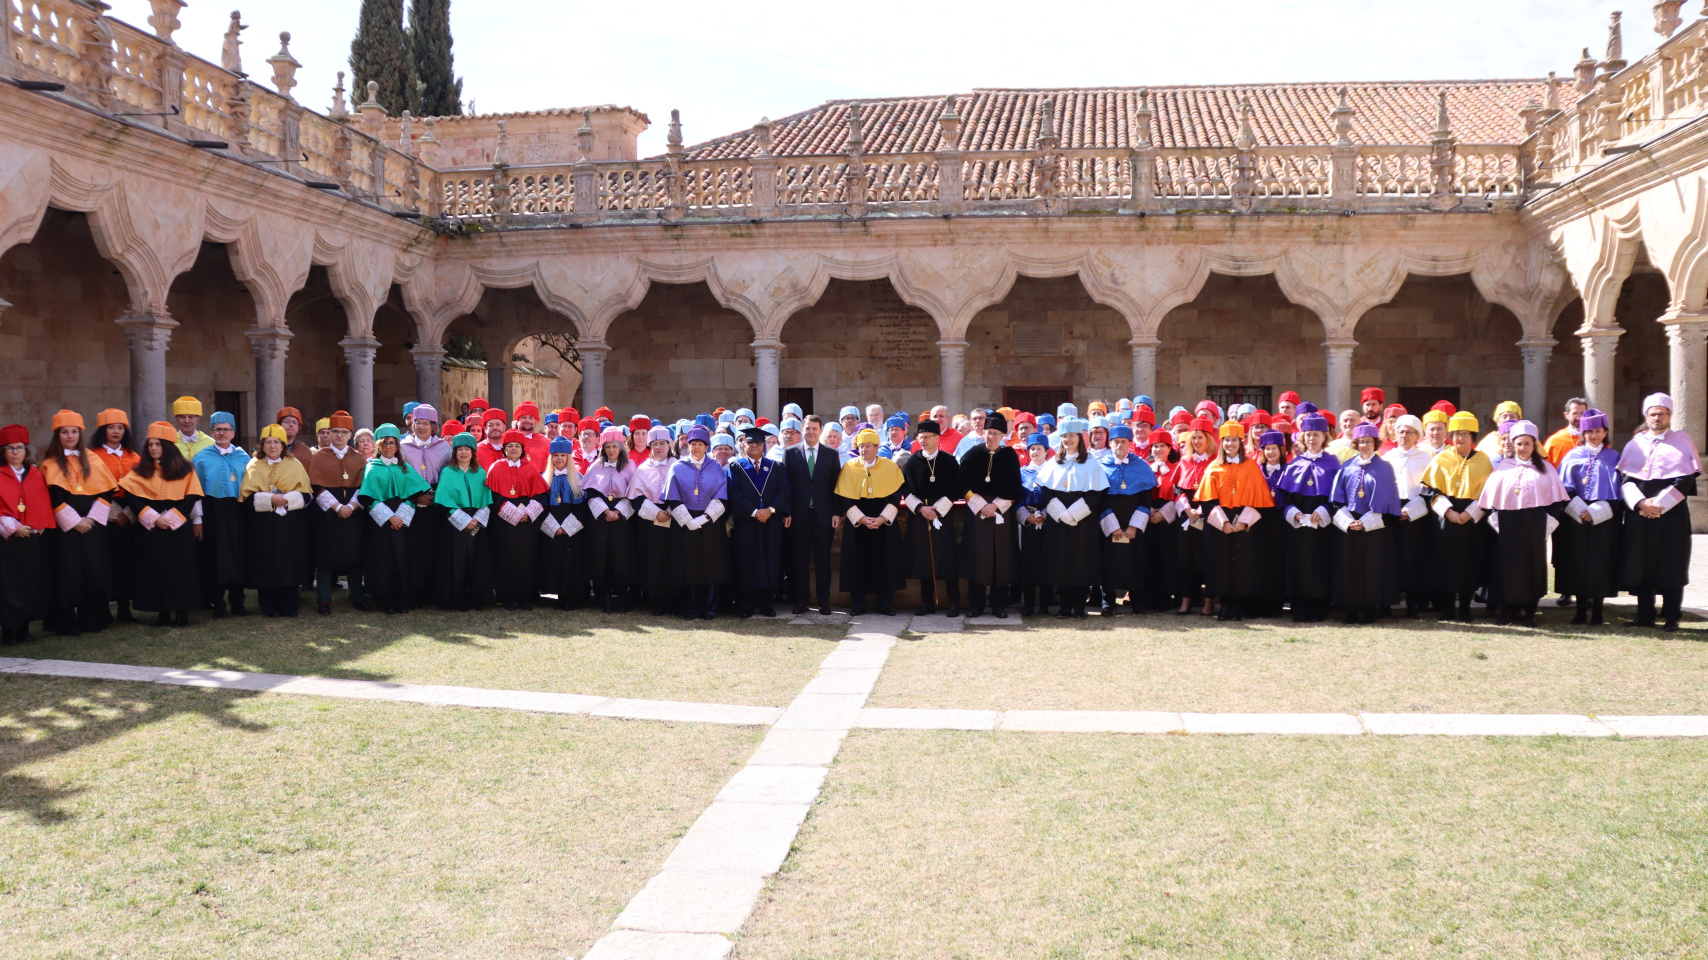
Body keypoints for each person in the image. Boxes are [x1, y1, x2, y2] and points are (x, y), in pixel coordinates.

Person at [1617, 393, 1700, 631]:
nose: (1657, 417)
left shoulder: (1682, 440)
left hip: (1671, 516)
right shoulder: (1635, 443)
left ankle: (1672, 616)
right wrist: (1642, 504)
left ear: (1670, 416)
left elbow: (1685, 480)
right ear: (1646, 416)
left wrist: (1659, 505)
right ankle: (1644, 614)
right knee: (1642, 564)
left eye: (1662, 414)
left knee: (1671, 563)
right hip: (1640, 514)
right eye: (1653, 414)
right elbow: (1625, 479)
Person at [1476, 420, 1568, 627]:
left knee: (1532, 568)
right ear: (1513, 445)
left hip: (1535, 526)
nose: (1523, 448)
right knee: (1505, 568)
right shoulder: (1502, 468)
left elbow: (1556, 502)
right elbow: (1491, 503)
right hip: (1507, 525)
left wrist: (1548, 524)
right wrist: (1497, 523)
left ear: (1534, 445)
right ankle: (1506, 611)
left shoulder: (1546, 468)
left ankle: (1530, 612)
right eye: (1519, 444)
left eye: (1527, 444)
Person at [40, 410, 118, 635]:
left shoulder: (92, 458)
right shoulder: (50, 463)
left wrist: (91, 520)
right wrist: (75, 522)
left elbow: (106, 492)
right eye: (64, 432)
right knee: (65, 574)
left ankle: (93, 620)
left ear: (80, 434)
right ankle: (64, 623)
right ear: (58, 435)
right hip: (65, 530)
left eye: (74, 432)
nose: (70, 436)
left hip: (92, 527)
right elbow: (52, 497)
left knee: (93, 572)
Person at [121, 422, 205, 627]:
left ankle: (182, 612)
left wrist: (171, 518)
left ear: (168, 446)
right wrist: (153, 518)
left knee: (180, 569)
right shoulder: (140, 470)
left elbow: (191, 497)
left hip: (177, 528)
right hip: (150, 528)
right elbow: (133, 498)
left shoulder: (186, 468)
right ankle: (162, 612)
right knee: (153, 568)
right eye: (150, 444)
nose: (153, 448)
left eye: (158, 444)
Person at [1419, 411, 1495, 622]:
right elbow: (1430, 491)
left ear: (1472, 437)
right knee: (1445, 562)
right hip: (1446, 518)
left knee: (1470, 562)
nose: (1459, 438)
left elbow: (1488, 494)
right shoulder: (1442, 459)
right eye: (1456, 434)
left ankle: (1465, 608)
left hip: (1473, 520)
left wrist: (1469, 514)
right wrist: (1449, 513)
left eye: (1464, 434)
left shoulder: (1483, 460)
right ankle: (1447, 608)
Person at [1195, 422, 1275, 622]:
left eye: (1234, 440)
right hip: (1219, 524)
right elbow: (1207, 500)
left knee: (1242, 564)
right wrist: (1222, 522)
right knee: (1220, 564)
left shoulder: (1252, 466)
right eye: (1226, 440)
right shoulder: (1213, 466)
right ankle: (1224, 606)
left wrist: (1243, 523)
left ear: (1240, 442)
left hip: (1244, 522)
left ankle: (1237, 607)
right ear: (1221, 443)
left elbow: (1259, 500)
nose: (1230, 444)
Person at [1328, 424, 1402, 624]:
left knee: (1372, 568)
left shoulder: (1384, 468)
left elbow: (1388, 502)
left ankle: (1370, 609)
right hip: (1350, 526)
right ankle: (1351, 609)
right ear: (1356, 444)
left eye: (1369, 441)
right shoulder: (1347, 466)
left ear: (1375, 443)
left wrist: (1366, 522)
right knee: (1349, 567)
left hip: (1374, 528)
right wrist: (1349, 521)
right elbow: (1337, 499)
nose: (1365, 445)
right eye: (1361, 442)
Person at [1034, 418, 1107, 619]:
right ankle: (1064, 606)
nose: (1068, 440)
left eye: (1072, 436)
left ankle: (1079, 607)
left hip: (1083, 521)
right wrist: (1061, 513)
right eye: (1064, 436)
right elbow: (1046, 491)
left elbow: (1095, 494)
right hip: (1059, 521)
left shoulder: (1091, 462)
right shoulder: (1053, 462)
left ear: (1079, 438)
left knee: (1081, 562)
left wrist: (1074, 513)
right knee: (1060, 562)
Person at [239, 424, 313, 617]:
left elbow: (306, 495)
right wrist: (270, 499)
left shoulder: (294, 464)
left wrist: (287, 499)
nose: (272, 446)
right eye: (268, 442)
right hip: (263, 526)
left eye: (276, 443)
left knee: (290, 562)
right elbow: (246, 499)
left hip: (290, 525)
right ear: (262, 446)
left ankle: (289, 604)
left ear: (283, 446)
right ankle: (269, 605)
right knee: (266, 563)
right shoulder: (253, 465)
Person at [357, 424, 430, 615]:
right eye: (385, 443)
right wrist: (389, 517)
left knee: (403, 558)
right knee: (383, 559)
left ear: (397, 446)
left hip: (403, 521)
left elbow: (414, 495)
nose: (389, 447)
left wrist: (401, 517)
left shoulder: (404, 468)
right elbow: (367, 498)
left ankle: (402, 599)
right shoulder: (371, 467)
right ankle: (384, 600)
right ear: (379, 446)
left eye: (392, 443)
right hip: (380, 523)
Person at [1274, 413, 1341, 623]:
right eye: (1308, 435)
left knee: (1321, 564)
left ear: (1324, 437)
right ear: (1302, 438)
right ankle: (1299, 607)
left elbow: (1337, 497)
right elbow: (1284, 498)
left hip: (1322, 526)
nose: (1312, 439)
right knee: (1298, 565)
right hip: (1298, 525)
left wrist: (1322, 512)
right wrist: (1293, 513)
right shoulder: (1294, 465)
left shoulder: (1332, 463)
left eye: (1317, 435)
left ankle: (1319, 607)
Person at [1556, 410, 1621, 626]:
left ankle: (1599, 611)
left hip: (1604, 521)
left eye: (1597, 431)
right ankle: (1580, 610)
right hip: (1577, 520)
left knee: (1600, 563)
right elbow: (1565, 489)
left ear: (1605, 433)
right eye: (1588, 431)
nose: (1593, 435)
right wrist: (1581, 509)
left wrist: (1595, 511)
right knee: (1578, 563)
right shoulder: (1572, 456)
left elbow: (1617, 491)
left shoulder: (1614, 457)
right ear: (1582, 433)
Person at [834, 428, 907, 616]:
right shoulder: (849, 467)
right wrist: (861, 519)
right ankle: (858, 604)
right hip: (859, 523)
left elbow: (895, 496)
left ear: (876, 447)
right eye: (860, 446)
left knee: (886, 560)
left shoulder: (890, 467)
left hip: (884, 522)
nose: (863, 450)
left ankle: (885, 604)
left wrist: (883, 518)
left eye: (867, 446)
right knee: (856, 561)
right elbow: (844, 499)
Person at [960, 412, 1024, 618]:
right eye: (988, 433)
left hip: (1001, 512)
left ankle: (999, 605)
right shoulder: (972, 454)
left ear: (1003, 435)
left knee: (1001, 559)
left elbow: (1015, 488)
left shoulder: (1010, 456)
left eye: (996, 433)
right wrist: (980, 505)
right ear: (983, 433)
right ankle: (975, 605)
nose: (991, 437)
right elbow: (961, 484)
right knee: (976, 558)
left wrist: (995, 506)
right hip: (976, 510)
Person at [666, 427, 730, 620]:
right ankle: (691, 608)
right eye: (692, 444)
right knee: (689, 565)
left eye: (700, 445)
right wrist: (688, 521)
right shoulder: (677, 467)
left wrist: (705, 518)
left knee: (711, 565)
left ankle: (709, 609)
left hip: (710, 523)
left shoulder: (717, 468)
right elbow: (672, 498)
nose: (695, 448)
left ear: (706, 447)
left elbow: (722, 497)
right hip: (685, 524)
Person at [308, 411, 368, 616]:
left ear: (350, 434)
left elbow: (363, 488)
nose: (339, 436)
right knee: (325, 558)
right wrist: (336, 507)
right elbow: (315, 486)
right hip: (327, 514)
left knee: (354, 557)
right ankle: (324, 600)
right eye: (335, 432)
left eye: (344, 432)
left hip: (353, 513)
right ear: (329, 433)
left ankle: (357, 596)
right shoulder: (318, 457)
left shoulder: (359, 458)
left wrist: (350, 507)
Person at [899, 419, 960, 617]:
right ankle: (927, 602)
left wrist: (939, 509)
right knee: (923, 560)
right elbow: (905, 488)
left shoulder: (949, 461)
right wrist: (920, 508)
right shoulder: (912, 461)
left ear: (936, 438)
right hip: (920, 514)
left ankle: (953, 601)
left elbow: (956, 488)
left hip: (943, 513)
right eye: (920, 437)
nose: (923, 441)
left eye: (927, 437)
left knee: (948, 558)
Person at [191, 411, 250, 617]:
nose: (222, 433)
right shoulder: (201, 458)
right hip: (212, 512)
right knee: (215, 556)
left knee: (238, 555)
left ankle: (238, 602)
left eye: (226, 429)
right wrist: (197, 519)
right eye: (218, 429)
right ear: (211, 432)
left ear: (233, 432)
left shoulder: (244, 457)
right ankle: (217, 603)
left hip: (238, 512)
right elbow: (195, 492)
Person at [728, 427, 791, 618]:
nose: (754, 446)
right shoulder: (736, 467)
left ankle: (766, 603)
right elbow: (734, 493)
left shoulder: (776, 466)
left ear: (764, 445)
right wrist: (754, 512)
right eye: (750, 443)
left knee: (769, 560)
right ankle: (747, 603)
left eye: (758, 443)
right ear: (743, 445)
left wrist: (770, 510)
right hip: (747, 522)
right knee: (748, 560)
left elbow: (785, 490)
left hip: (770, 521)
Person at [485, 429, 549, 610]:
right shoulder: (496, 467)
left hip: (527, 521)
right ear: (504, 448)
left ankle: (525, 596)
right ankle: (507, 596)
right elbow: (494, 495)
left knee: (526, 558)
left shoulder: (530, 468)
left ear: (523, 449)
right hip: (503, 520)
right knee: (505, 556)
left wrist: (527, 513)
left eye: (517, 446)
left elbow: (540, 494)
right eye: (510, 446)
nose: (514, 449)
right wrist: (512, 513)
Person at [0, 425, 52, 644]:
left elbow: (41, 502)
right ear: (3, 451)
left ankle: (25, 628)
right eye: (10, 448)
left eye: (19, 448)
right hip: (7, 541)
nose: (15, 452)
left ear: (26, 450)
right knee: (8, 586)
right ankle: (9, 630)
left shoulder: (35, 474)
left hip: (31, 540)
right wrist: (13, 528)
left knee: (30, 583)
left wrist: (35, 525)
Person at [1098, 424, 1157, 616]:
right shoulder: (1101, 466)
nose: (1119, 445)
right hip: (1109, 522)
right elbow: (1099, 500)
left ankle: (1137, 601)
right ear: (1110, 443)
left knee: (1136, 562)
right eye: (1116, 441)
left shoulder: (1141, 466)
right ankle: (1108, 601)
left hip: (1134, 523)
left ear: (1130, 443)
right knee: (1108, 562)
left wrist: (1134, 526)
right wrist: (1113, 526)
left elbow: (1146, 500)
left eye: (1123, 441)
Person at [784, 416, 841, 616]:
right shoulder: (790, 453)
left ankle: (824, 601)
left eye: (814, 428)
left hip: (823, 516)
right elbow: (786, 486)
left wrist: (836, 512)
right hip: (799, 516)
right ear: (802, 429)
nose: (811, 432)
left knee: (823, 560)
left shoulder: (831, 454)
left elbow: (836, 486)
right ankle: (802, 600)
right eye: (807, 428)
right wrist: (787, 512)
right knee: (800, 561)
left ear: (820, 430)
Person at [89, 408, 141, 623]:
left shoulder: (134, 456)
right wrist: (111, 512)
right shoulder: (91, 456)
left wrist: (129, 513)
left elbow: (141, 487)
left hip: (129, 513)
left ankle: (124, 607)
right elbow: (91, 488)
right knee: (104, 562)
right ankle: (103, 609)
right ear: (103, 430)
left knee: (127, 562)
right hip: (103, 513)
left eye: (120, 428)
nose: (116, 432)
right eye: (111, 427)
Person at [1382, 414, 1436, 617]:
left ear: (1417, 436)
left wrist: (1410, 511)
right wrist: (1393, 508)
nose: (1404, 435)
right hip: (1390, 512)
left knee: (1414, 560)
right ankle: (1386, 602)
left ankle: (1413, 604)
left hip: (1415, 514)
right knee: (1389, 558)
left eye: (1409, 432)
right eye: (1400, 431)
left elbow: (1429, 490)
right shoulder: (1387, 458)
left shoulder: (1426, 459)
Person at [434, 433, 493, 611]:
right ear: (455, 452)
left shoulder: (480, 472)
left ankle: (477, 599)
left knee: (477, 560)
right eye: (460, 449)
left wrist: (476, 520)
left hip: (477, 521)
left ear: (473, 452)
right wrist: (462, 519)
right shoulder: (448, 472)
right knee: (456, 561)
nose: (464, 452)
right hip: (455, 522)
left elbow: (487, 499)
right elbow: (443, 500)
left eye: (467, 449)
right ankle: (457, 598)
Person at [583, 428, 637, 612]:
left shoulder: (630, 466)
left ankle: (621, 596)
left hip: (622, 520)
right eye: (608, 447)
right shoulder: (595, 466)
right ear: (603, 449)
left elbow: (634, 493)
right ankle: (603, 596)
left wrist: (618, 512)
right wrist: (606, 511)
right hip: (600, 518)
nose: (611, 450)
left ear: (621, 448)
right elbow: (589, 493)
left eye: (615, 446)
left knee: (621, 558)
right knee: (601, 556)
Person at [629, 426, 678, 615]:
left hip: (674, 520)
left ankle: (674, 599)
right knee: (653, 561)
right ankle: (656, 600)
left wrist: (669, 510)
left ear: (669, 444)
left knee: (673, 558)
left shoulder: (678, 465)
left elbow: (684, 492)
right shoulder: (642, 469)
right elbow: (636, 498)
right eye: (655, 444)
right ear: (650, 446)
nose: (659, 448)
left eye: (663, 443)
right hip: (650, 522)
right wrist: (657, 512)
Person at [1170, 418, 1216, 615]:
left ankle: (1208, 604)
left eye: (1201, 438)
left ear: (1208, 440)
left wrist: (1201, 511)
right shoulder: (1184, 461)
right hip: (1188, 519)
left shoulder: (1216, 462)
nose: (1197, 441)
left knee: (1208, 560)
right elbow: (1178, 489)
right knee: (1186, 560)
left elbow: (1217, 491)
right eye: (1194, 438)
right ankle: (1186, 602)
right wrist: (1188, 510)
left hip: (1209, 517)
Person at [541, 436, 589, 610]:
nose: (559, 459)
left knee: (571, 562)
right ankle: (558, 595)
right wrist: (554, 527)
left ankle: (571, 597)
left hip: (571, 528)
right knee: (554, 561)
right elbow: (541, 506)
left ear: (569, 457)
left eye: (563, 455)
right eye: (555, 455)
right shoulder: (543, 478)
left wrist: (566, 527)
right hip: (552, 527)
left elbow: (583, 507)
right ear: (551, 458)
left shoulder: (579, 478)